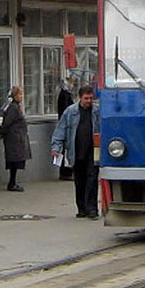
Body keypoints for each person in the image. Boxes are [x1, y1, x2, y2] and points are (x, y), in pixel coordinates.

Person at [51, 84, 99, 218]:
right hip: (76, 151)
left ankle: (92, 209)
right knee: (80, 181)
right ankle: (82, 208)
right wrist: (56, 147)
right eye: (86, 98)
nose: (89, 101)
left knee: (92, 179)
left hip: (93, 151)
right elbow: (60, 131)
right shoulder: (70, 112)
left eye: (91, 98)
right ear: (80, 98)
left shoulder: (97, 112)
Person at [0, 85, 31, 192]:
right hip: (14, 139)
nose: (21, 97)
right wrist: (1, 132)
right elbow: (7, 122)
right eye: (19, 94)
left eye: (22, 94)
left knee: (15, 161)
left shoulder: (15, 106)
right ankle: (12, 183)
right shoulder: (13, 107)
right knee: (14, 161)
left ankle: (13, 182)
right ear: (14, 95)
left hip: (16, 138)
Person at [55, 79, 75, 180]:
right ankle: (66, 172)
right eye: (71, 84)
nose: (73, 86)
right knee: (66, 150)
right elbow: (67, 110)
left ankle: (66, 171)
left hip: (66, 125)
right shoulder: (65, 96)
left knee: (65, 150)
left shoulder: (64, 95)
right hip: (67, 126)